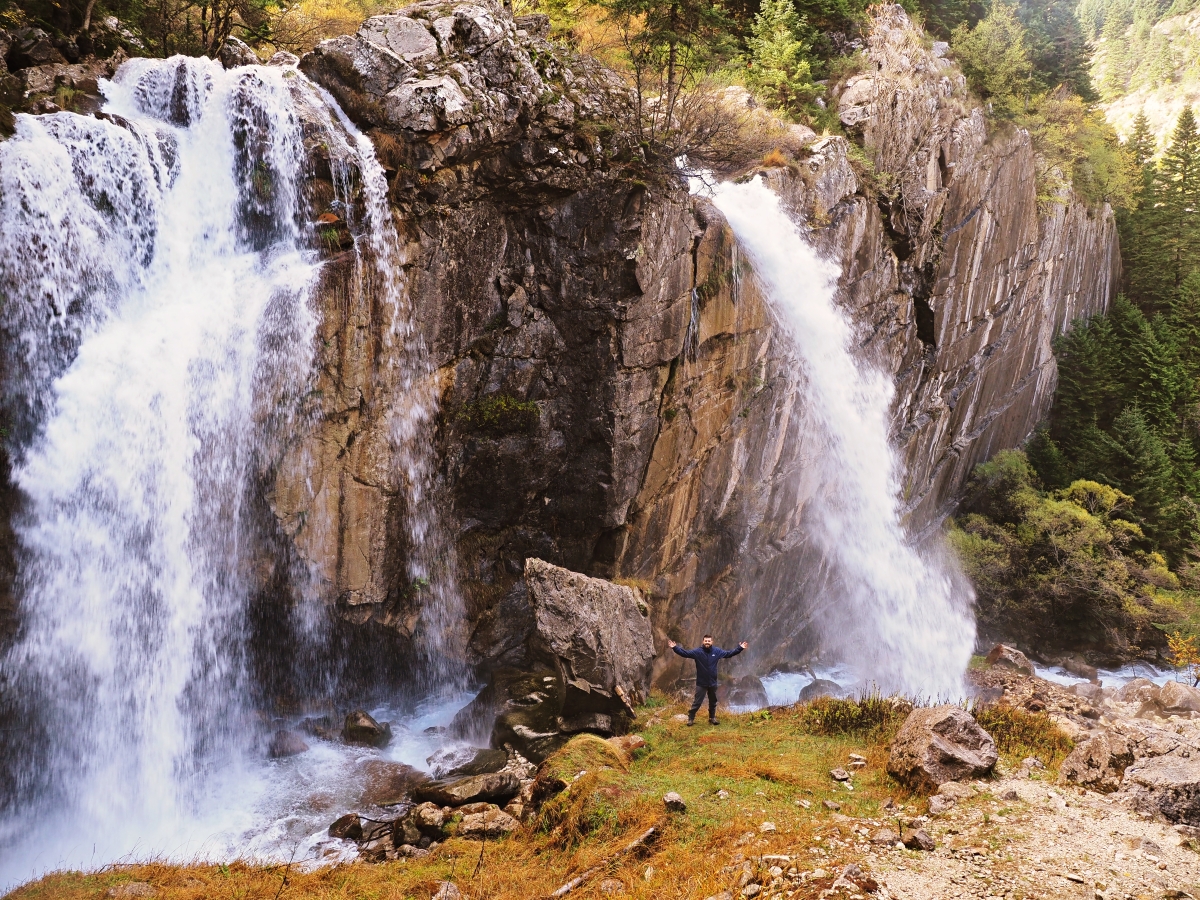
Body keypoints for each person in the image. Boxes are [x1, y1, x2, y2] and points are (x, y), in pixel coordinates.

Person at [667, 634, 749, 726]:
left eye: (709, 641)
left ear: (712, 642)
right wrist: (675, 648)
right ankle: (691, 718)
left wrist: (740, 648)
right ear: (703, 641)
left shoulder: (717, 651)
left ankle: (712, 718)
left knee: (713, 701)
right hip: (701, 683)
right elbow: (685, 653)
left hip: (712, 682)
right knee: (697, 702)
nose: (707, 642)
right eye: (706, 641)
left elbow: (729, 654)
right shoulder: (697, 652)